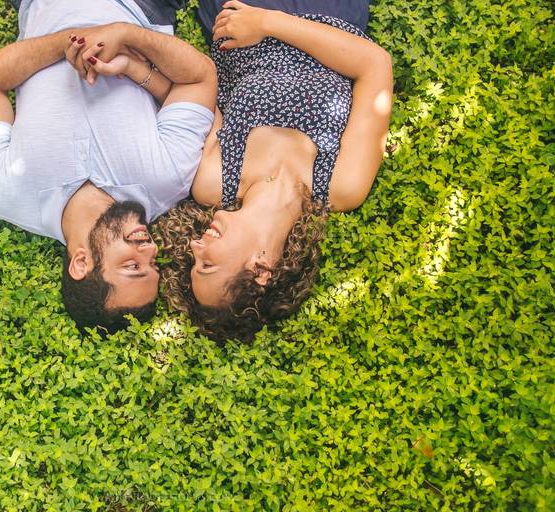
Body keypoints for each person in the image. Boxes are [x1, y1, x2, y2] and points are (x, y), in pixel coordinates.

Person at [0, 0, 216, 332]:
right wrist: (126, 35)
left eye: (131, 264)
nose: (151, 247)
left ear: (82, 262)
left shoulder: (5, 192)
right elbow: (199, 79)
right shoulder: (165, 181)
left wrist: (68, 42)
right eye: (152, 262)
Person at [156, 0, 393, 342]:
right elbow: (374, 64)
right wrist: (269, 22)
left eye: (193, 261)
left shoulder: (213, 182)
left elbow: (201, 83)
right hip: (329, 12)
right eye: (206, 265)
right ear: (260, 271)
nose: (195, 247)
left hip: (234, 14)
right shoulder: (342, 185)